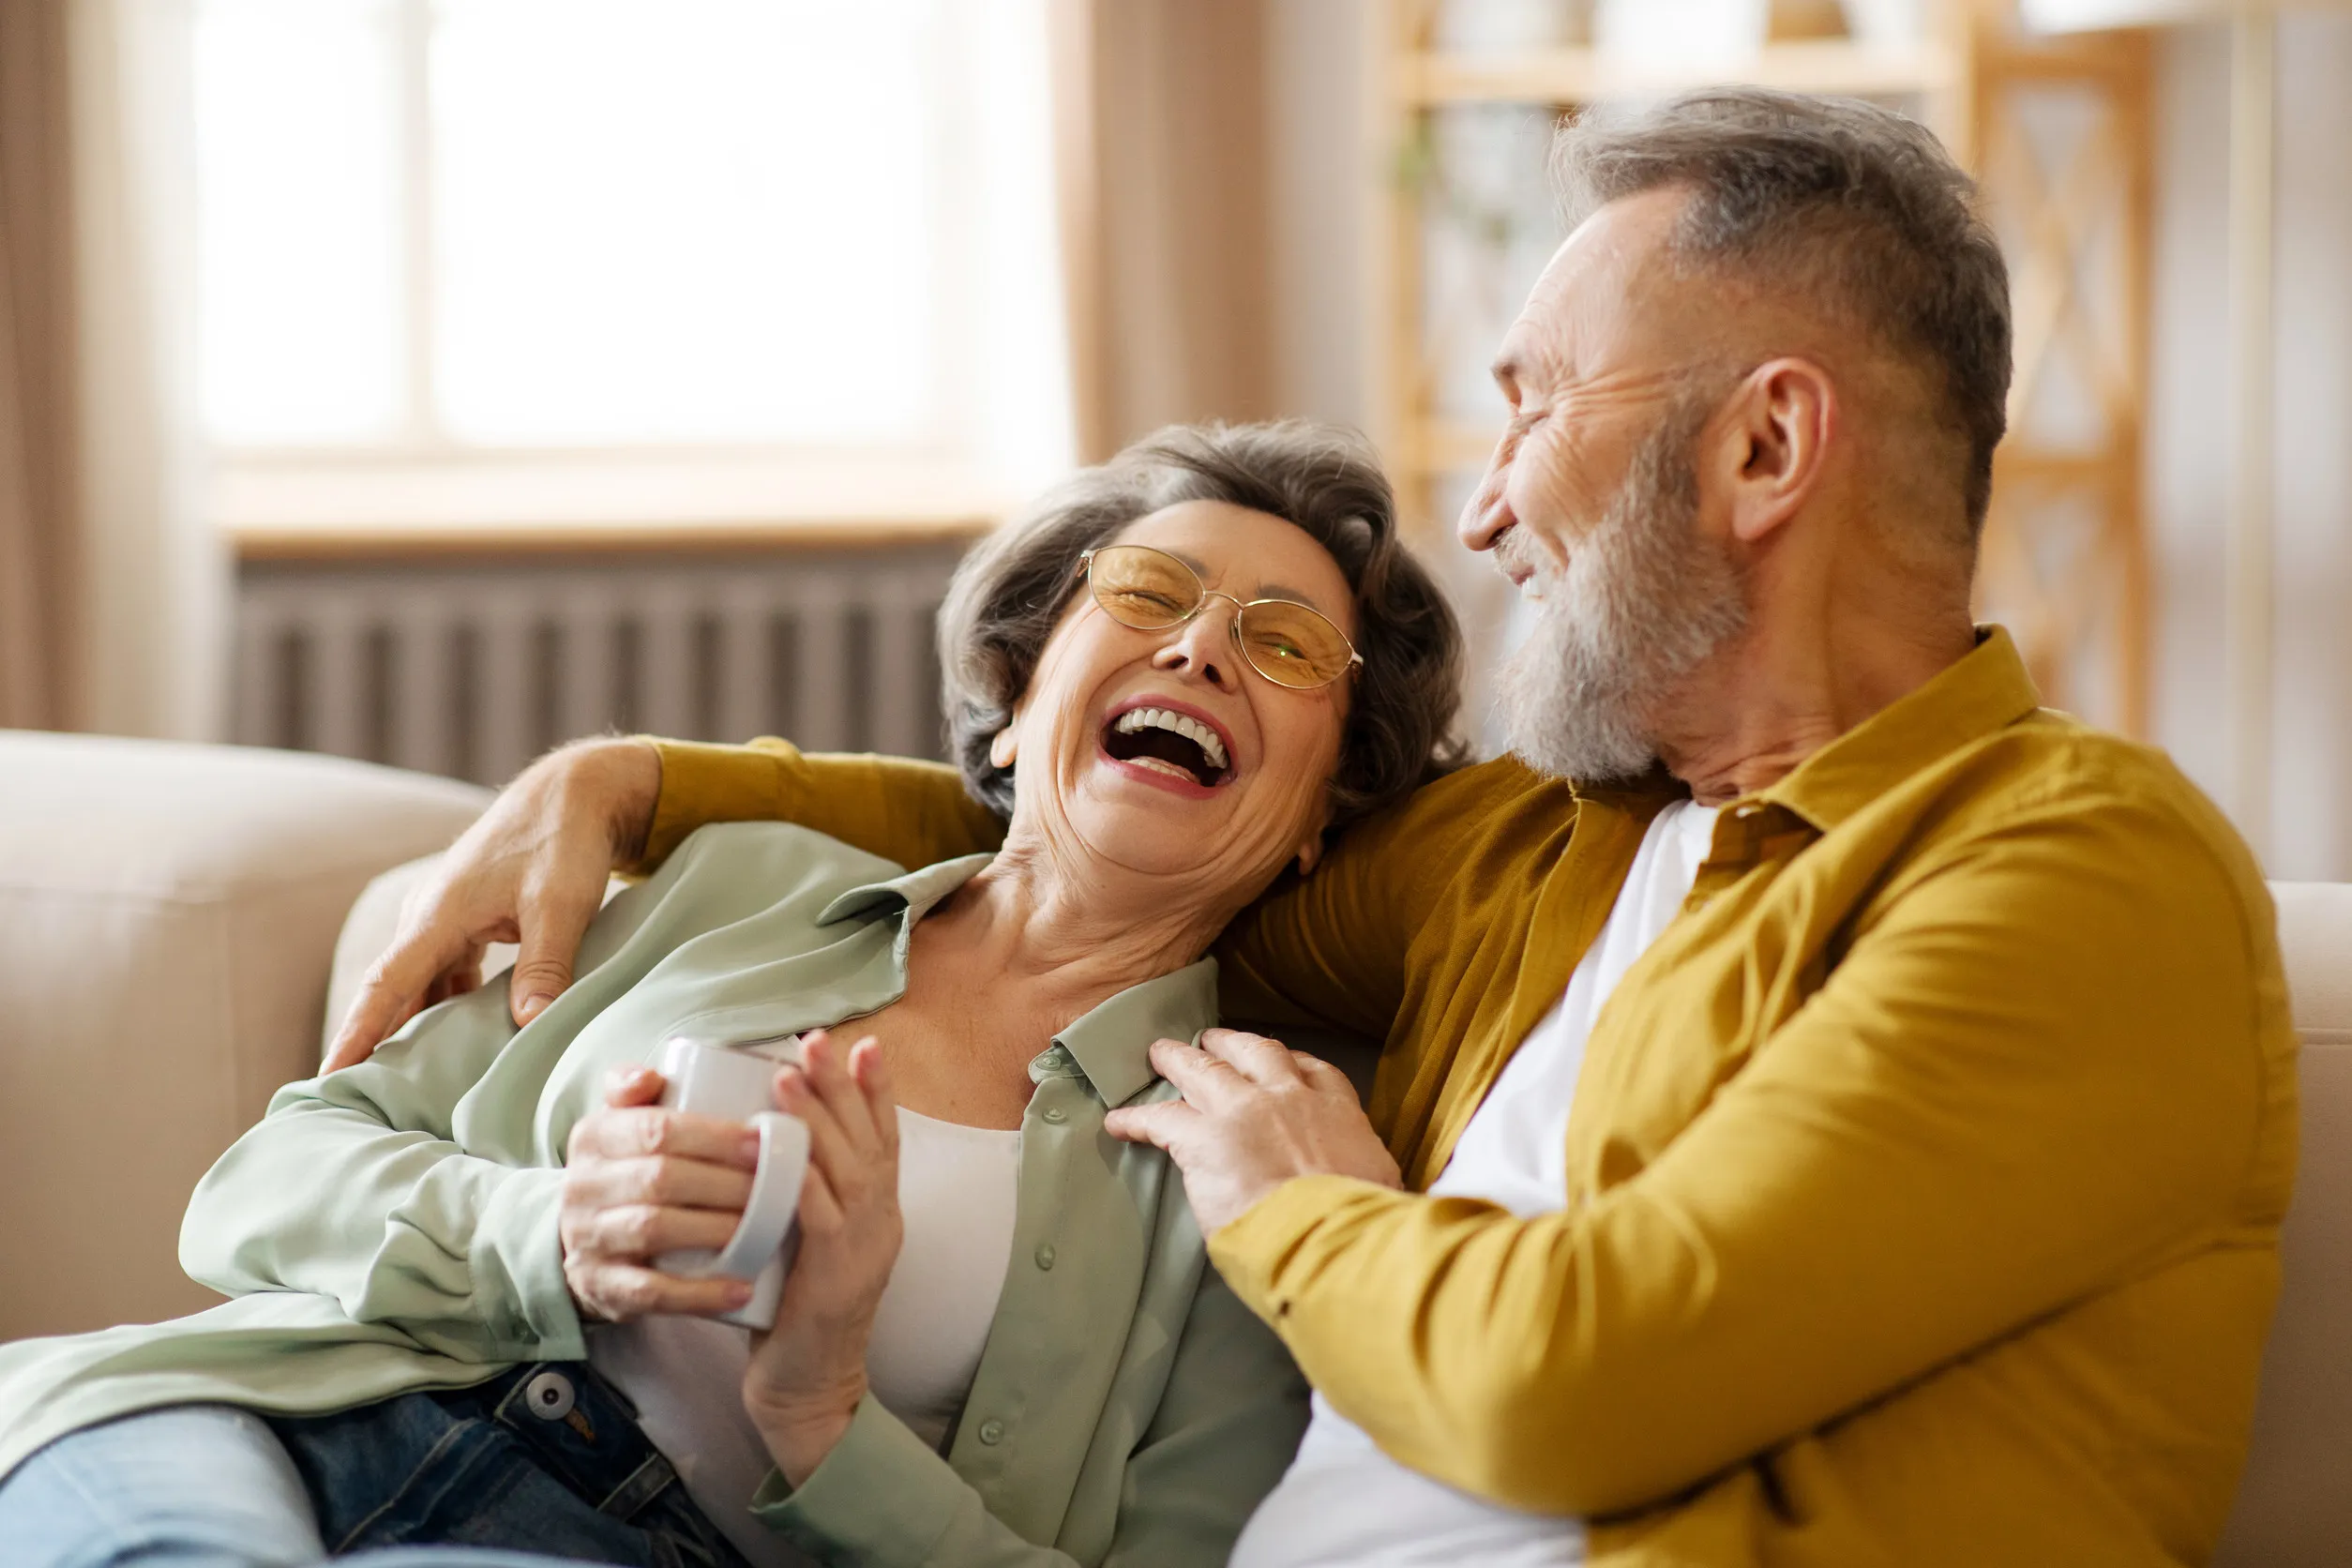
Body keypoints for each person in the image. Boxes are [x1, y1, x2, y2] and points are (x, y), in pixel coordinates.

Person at [330, 88, 2299, 1568]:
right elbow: (1113, 819)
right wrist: (640, 782)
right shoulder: (1547, 846)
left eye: (1534, 407)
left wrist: (1295, 1195)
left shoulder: (2068, 871)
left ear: (1765, 447)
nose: (1491, 505)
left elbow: (1568, 1381)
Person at [0, 421, 1469, 1568]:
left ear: (1321, 814)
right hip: (249, 1419)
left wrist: (822, 1416)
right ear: (1020, 706)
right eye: (1151, 592)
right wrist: (545, 1224)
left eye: (1283, 643)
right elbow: (265, 1180)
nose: (1201, 645)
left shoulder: (1251, 1158)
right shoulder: (742, 880)